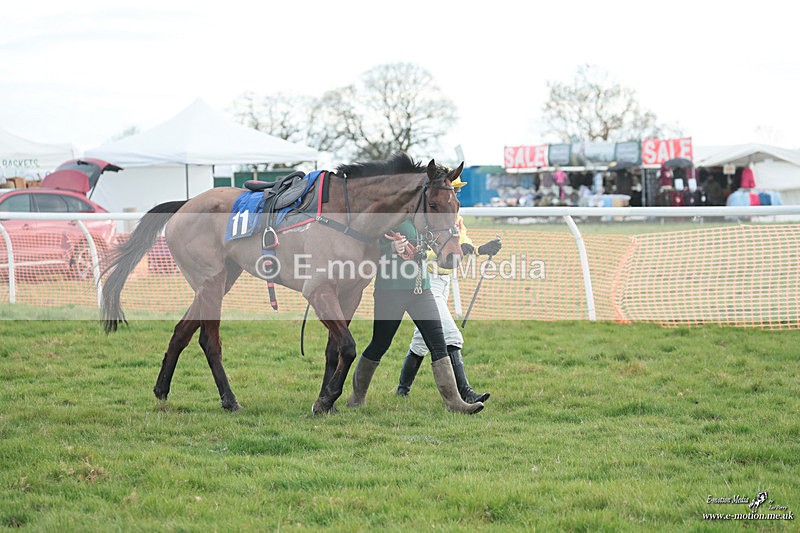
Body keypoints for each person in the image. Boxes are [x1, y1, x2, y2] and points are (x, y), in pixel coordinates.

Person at [347, 218, 484, 414]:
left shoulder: (424, 217)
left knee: (438, 343)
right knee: (380, 344)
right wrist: (391, 248)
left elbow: (440, 243)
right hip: (391, 290)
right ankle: (357, 397)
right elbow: (366, 252)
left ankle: (455, 402)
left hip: (422, 289)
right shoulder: (388, 215)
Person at [395, 176, 502, 402]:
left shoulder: (456, 219)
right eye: (451, 189)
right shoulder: (427, 217)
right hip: (425, 283)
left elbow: (464, 244)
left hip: (444, 284)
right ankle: (466, 393)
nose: (453, 193)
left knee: (421, 341)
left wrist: (483, 249)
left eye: (456, 189)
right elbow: (422, 250)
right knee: (451, 335)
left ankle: (402, 390)